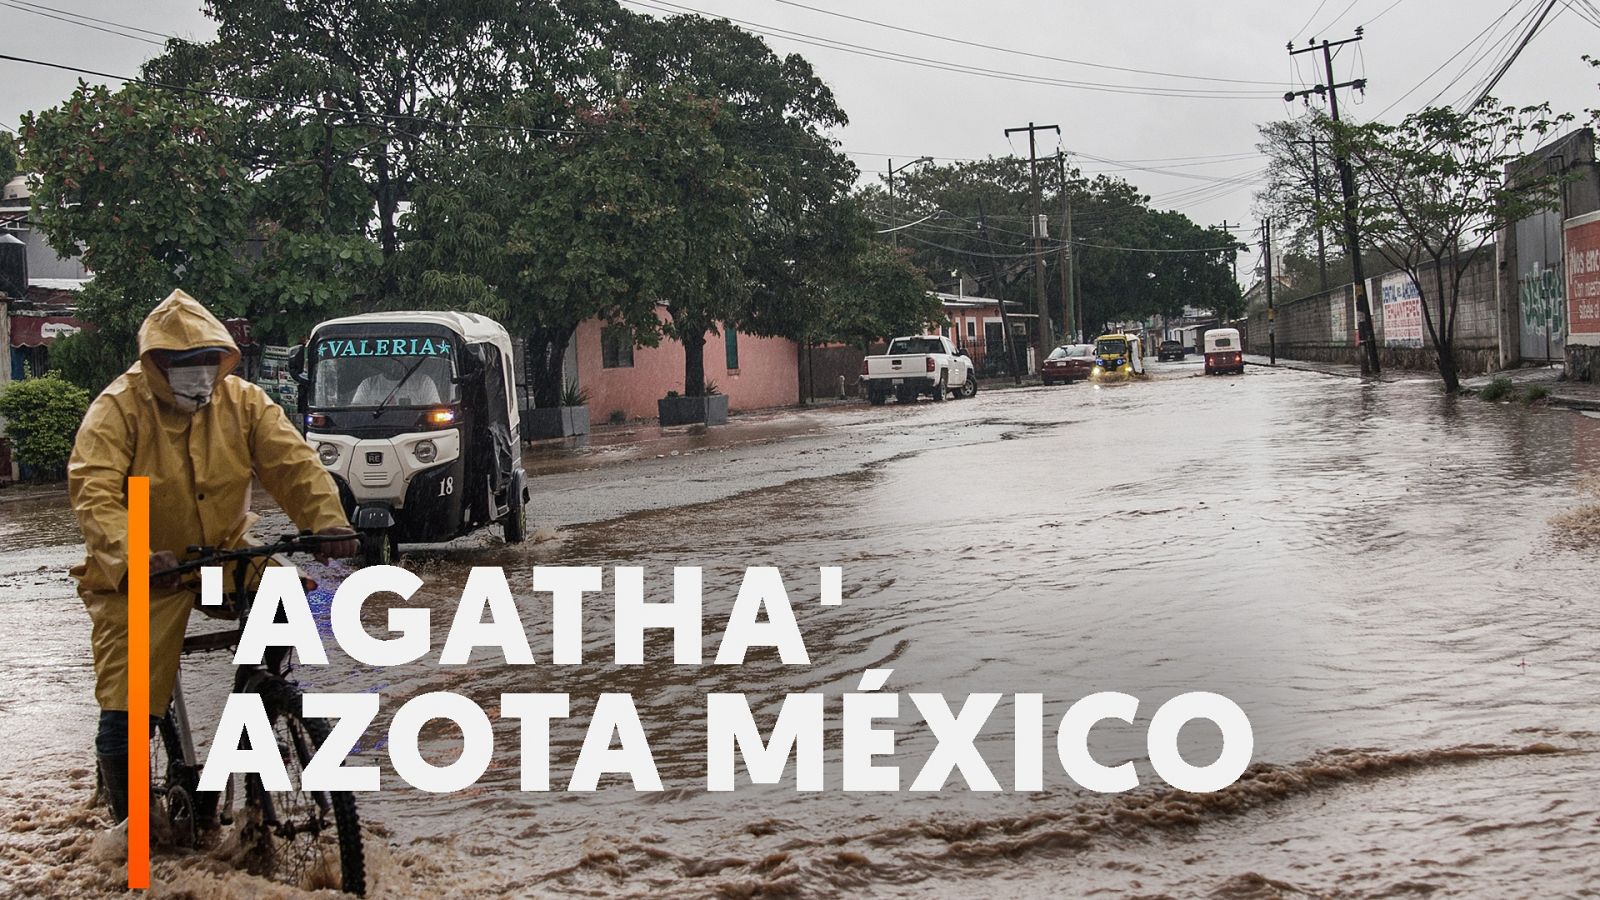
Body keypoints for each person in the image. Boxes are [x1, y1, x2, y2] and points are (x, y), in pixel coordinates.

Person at [68, 289, 359, 823]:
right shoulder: (118, 408)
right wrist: (134, 553)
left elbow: (293, 463)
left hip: (225, 556)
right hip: (143, 573)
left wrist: (328, 523)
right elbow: (94, 488)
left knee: (285, 598)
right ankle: (130, 824)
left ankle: (255, 705)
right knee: (127, 705)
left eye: (207, 362)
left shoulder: (244, 402)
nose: (199, 375)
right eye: (184, 364)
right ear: (156, 365)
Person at [349, 356, 441, 406]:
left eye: (398, 358)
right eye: (390, 359)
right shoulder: (368, 384)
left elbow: (435, 411)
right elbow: (354, 411)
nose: (394, 363)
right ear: (382, 361)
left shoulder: (424, 382)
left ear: (406, 359)